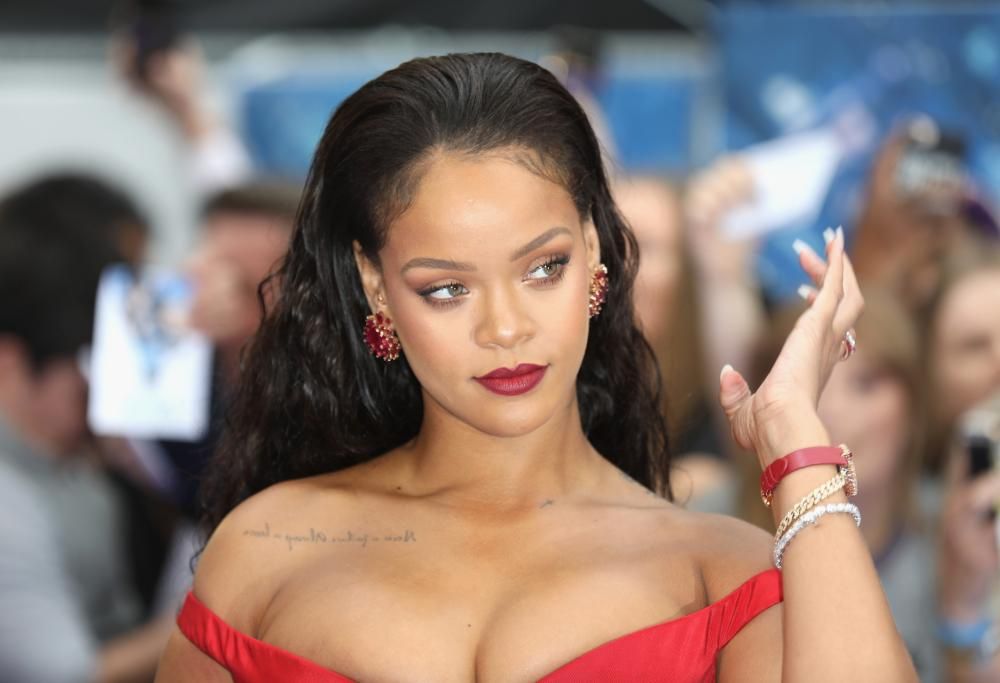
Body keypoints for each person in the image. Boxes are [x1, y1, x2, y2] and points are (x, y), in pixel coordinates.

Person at [155, 53, 915, 681]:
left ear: (593, 249)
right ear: (376, 287)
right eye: (447, 288)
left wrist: (797, 447)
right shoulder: (265, 549)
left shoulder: (719, 570)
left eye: (543, 268)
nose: (506, 328)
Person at [0, 183, 172, 682]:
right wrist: (210, 617)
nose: (108, 395)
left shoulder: (81, 462)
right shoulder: (11, 503)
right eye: (87, 375)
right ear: (10, 363)